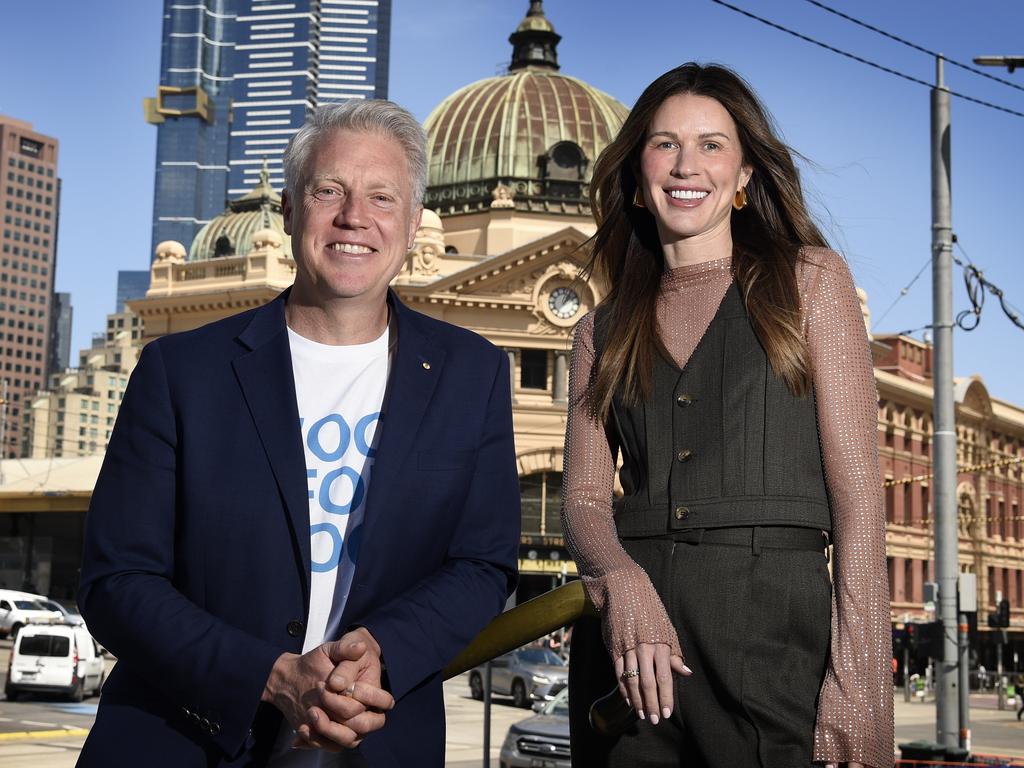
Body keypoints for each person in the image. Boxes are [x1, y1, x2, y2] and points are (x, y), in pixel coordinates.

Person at [77, 100, 521, 767]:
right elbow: (117, 580)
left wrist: (385, 650)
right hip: (184, 740)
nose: (354, 218)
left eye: (381, 197)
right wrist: (271, 675)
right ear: (288, 209)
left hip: (377, 741)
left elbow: (483, 564)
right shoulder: (182, 371)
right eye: (328, 191)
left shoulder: (471, 373)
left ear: (411, 221)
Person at [561, 63, 893, 768]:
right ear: (638, 171)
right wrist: (618, 582)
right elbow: (585, 501)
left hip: (774, 651)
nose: (687, 165)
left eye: (713, 145)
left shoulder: (810, 282)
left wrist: (860, 684)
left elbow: (860, 498)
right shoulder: (599, 329)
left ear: (745, 175)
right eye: (665, 144)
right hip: (629, 666)